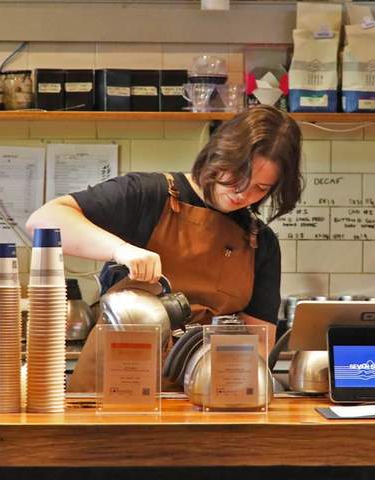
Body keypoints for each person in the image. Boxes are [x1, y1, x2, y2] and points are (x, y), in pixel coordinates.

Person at [27, 105, 303, 361]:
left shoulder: (259, 241)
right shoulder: (147, 194)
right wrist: (121, 249)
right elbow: (43, 220)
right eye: (237, 175)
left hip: (205, 389)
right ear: (219, 154)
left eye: (261, 188)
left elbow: (260, 341)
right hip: (120, 381)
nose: (243, 193)